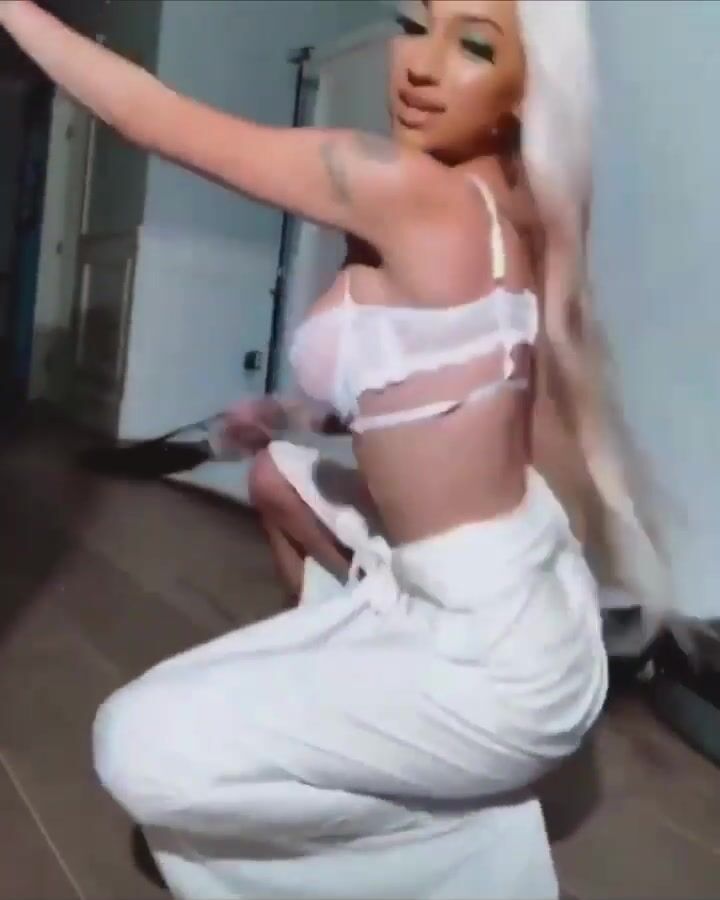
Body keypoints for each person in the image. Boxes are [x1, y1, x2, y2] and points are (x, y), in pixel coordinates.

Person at [0, 0, 670, 897]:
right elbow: (449, 388)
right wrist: (288, 414)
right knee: (277, 476)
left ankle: (459, 833)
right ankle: (382, 721)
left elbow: (145, 114)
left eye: (474, 46)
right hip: (528, 597)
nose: (420, 65)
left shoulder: (398, 185)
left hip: (493, 653)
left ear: (526, 88)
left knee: (133, 746)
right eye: (415, 23)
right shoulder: (518, 195)